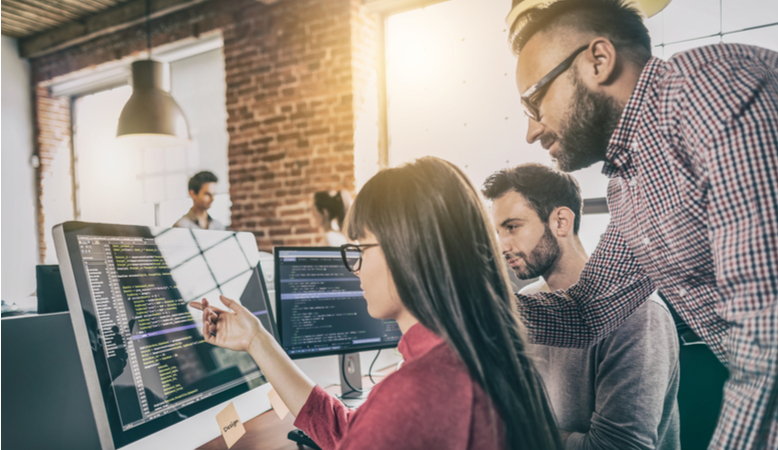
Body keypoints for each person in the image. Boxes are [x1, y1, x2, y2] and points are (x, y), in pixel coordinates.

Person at [506, 0, 778, 448]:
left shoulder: (716, 94)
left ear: (598, 60)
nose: (531, 130)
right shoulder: (631, 182)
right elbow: (590, 313)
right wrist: (466, 310)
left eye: (534, 99)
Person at [191, 157, 562, 450]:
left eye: (360, 250)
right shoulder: (490, 354)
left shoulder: (415, 394)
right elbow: (348, 432)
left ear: (407, 253)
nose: (355, 269)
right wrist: (257, 340)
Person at [483, 163, 679, 450]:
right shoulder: (529, 300)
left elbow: (618, 448)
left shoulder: (638, 312)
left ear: (560, 221)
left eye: (512, 227)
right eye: (498, 232)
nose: (502, 245)